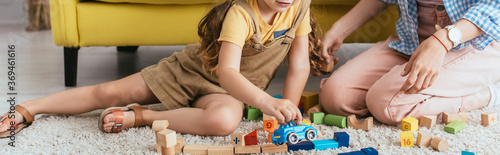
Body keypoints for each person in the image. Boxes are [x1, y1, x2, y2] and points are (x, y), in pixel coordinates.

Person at [0, 0, 321, 137]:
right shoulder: (240, 12)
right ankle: (29, 107)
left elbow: (298, 64)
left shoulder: (298, 7)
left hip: (226, 94)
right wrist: (267, 101)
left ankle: (142, 116)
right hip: (194, 71)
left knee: (224, 120)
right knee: (109, 91)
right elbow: (228, 72)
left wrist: (287, 113)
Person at [317, 0, 500, 125]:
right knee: (335, 97)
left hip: (475, 41)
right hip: (412, 40)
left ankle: (490, 93)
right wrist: (338, 31)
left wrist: (443, 40)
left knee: (387, 105)